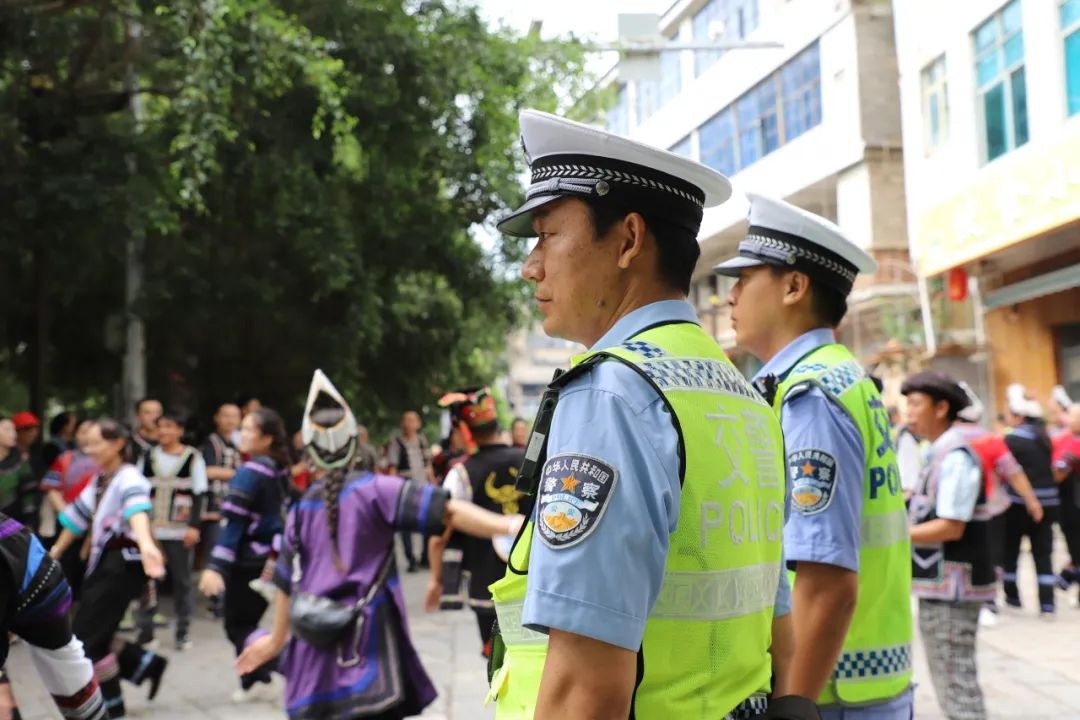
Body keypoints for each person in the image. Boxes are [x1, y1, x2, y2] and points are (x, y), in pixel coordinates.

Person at [485, 110, 810, 720]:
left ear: (629, 240)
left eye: (547, 235)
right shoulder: (742, 394)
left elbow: (585, 685)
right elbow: (778, 620)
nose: (531, 265)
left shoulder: (612, 394)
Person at [716, 193, 913, 718]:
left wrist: (791, 703)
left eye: (744, 279)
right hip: (865, 682)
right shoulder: (841, 376)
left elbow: (825, 581)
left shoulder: (811, 395)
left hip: (827, 694)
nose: (729, 297)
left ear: (794, 286)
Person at [233, 370, 525, 720]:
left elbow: (285, 581)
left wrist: (275, 640)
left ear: (309, 451)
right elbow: (449, 511)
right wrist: (511, 524)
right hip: (368, 651)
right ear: (353, 443)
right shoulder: (375, 490)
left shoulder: (301, 509)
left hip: (314, 661)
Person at [48, 419, 168, 718]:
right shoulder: (101, 478)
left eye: (96, 443)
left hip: (121, 567)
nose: (89, 449)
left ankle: (113, 705)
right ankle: (144, 665)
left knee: (87, 640)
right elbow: (76, 518)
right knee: (93, 636)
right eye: (87, 444)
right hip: (105, 565)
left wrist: (146, 544)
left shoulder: (129, 477)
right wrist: (54, 553)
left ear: (117, 444)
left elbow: (137, 510)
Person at [902, 372, 993, 720]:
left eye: (916, 404)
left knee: (956, 685)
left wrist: (893, 534)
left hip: (953, 588)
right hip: (941, 586)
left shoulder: (955, 456)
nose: (909, 412)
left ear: (941, 408)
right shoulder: (938, 451)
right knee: (950, 680)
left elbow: (951, 526)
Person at [198, 407, 292, 702]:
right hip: (271, 556)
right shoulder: (278, 468)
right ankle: (255, 679)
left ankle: (292, 665)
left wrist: (215, 567)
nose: (242, 434)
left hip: (249, 560)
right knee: (242, 622)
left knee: (238, 625)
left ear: (266, 438)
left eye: (249, 429)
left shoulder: (250, 472)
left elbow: (234, 524)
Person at [425, 386, 525, 658]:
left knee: (497, 660)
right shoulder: (531, 461)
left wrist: (436, 580)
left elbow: (439, 536)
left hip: (486, 584)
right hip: (532, 580)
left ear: (462, 430)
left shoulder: (461, 473)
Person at [0, 512, 108, 720]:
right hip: (33, 565)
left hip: (38, 582)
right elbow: (77, 515)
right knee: (69, 660)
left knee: (70, 658)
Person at [951, 383, 1043, 626]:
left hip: (953, 510)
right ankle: (988, 601)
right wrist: (1032, 501)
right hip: (991, 508)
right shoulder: (991, 440)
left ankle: (964, 597)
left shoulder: (946, 440)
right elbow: (1014, 473)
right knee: (992, 555)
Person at [135, 412, 208, 650]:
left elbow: (199, 494)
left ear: (180, 430)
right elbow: (137, 491)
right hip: (151, 531)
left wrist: (194, 527)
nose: (163, 431)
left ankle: (182, 632)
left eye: (169, 426)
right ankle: (146, 633)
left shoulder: (193, 458)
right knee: (148, 582)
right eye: (160, 427)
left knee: (182, 582)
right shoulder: (147, 457)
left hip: (179, 531)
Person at [1000, 383, 1057, 615]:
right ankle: (1048, 603)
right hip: (1049, 502)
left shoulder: (1012, 440)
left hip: (1018, 504)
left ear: (1018, 416)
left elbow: (1010, 473)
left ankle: (1012, 596)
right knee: (1043, 554)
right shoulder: (1044, 437)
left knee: (1010, 551)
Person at [40, 419, 100, 596]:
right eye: (82, 431)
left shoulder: (106, 460)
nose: (86, 436)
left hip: (99, 525)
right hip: (69, 523)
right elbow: (51, 488)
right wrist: (66, 514)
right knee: (66, 569)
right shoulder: (65, 458)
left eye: (91, 431)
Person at [386, 410, 435, 572]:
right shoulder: (397, 443)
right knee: (406, 523)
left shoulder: (422, 441)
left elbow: (428, 464)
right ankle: (411, 558)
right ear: (403, 423)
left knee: (428, 520)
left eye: (414, 420)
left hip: (423, 485)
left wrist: (432, 482)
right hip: (405, 486)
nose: (411, 424)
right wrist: (392, 488)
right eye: (408, 420)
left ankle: (425, 556)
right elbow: (393, 467)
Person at [1052, 404, 1080, 592]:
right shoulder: (1068, 439)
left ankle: (1067, 577)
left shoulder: (1074, 443)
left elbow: (1059, 473)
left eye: (1071, 416)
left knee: (1076, 549)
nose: (1067, 420)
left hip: (1073, 505)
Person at [0, 417, 37, 527]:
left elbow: (29, 496)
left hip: (12, 524)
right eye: (7, 429)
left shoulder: (21, 462)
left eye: (14, 430)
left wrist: (29, 524)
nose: (13, 434)